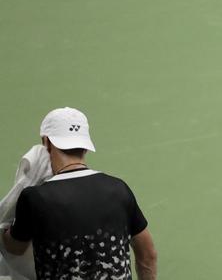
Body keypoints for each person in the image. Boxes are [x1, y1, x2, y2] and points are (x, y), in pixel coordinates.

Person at [1, 107, 158, 280]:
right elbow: (147, 255)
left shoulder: (34, 198)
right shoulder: (119, 190)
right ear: (85, 146)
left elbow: (14, 247)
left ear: (46, 142)